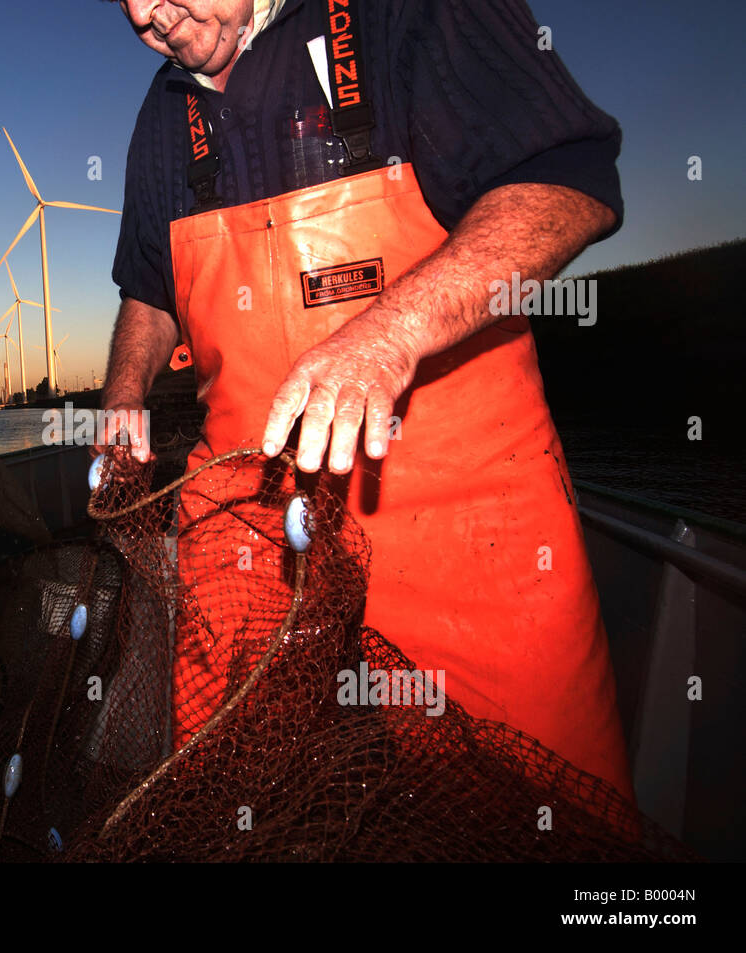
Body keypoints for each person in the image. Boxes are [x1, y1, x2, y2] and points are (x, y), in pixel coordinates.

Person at [97, 0, 635, 800]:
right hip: (248, 525)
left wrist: (392, 332)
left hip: (464, 522)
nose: (146, 15)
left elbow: (564, 184)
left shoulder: (403, 13)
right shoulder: (162, 112)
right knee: (242, 796)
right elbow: (149, 289)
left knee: (529, 805)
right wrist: (122, 392)